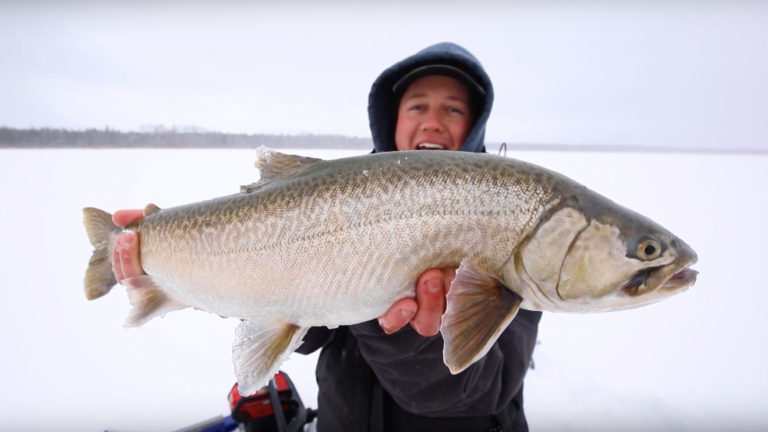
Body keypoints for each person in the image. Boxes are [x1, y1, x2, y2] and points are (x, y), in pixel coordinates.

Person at [110, 42, 541, 432]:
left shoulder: (509, 214)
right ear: (390, 118)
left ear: (475, 124)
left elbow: (479, 394)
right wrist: (198, 273)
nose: (432, 123)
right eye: (417, 107)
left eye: (453, 109)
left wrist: (408, 329)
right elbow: (310, 335)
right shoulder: (334, 197)